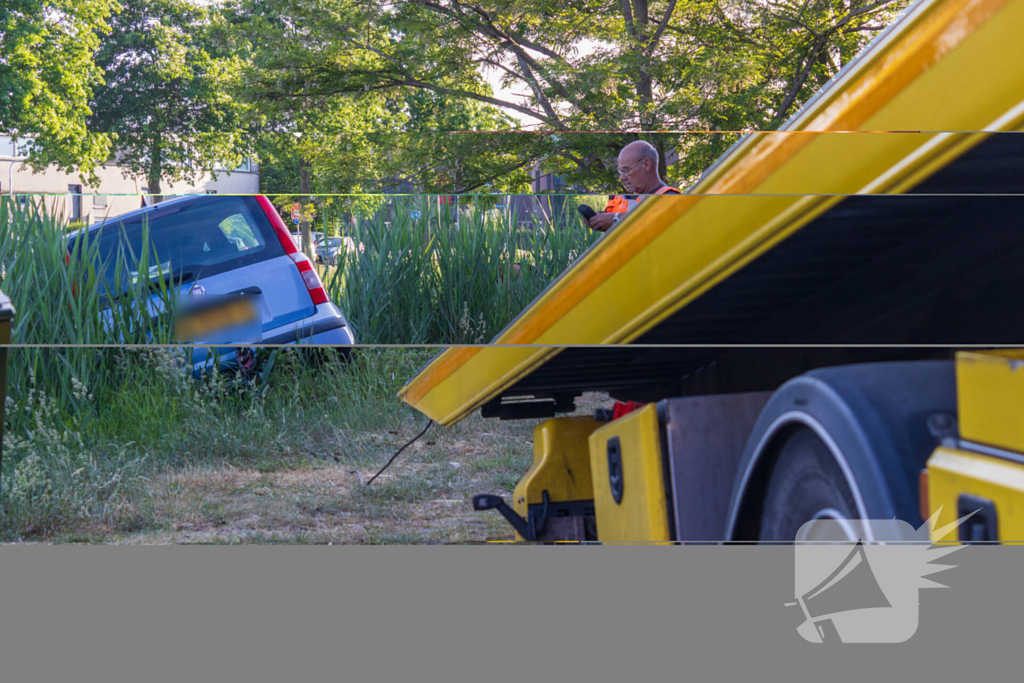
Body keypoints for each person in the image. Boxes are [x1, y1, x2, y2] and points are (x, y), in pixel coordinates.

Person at [586, 140, 681, 233]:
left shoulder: (671, 197)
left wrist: (615, 220)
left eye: (626, 170)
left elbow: (656, 223)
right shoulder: (629, 200)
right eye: (620, 171)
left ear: (646, 165)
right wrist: (600, 220)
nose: (622, 178)